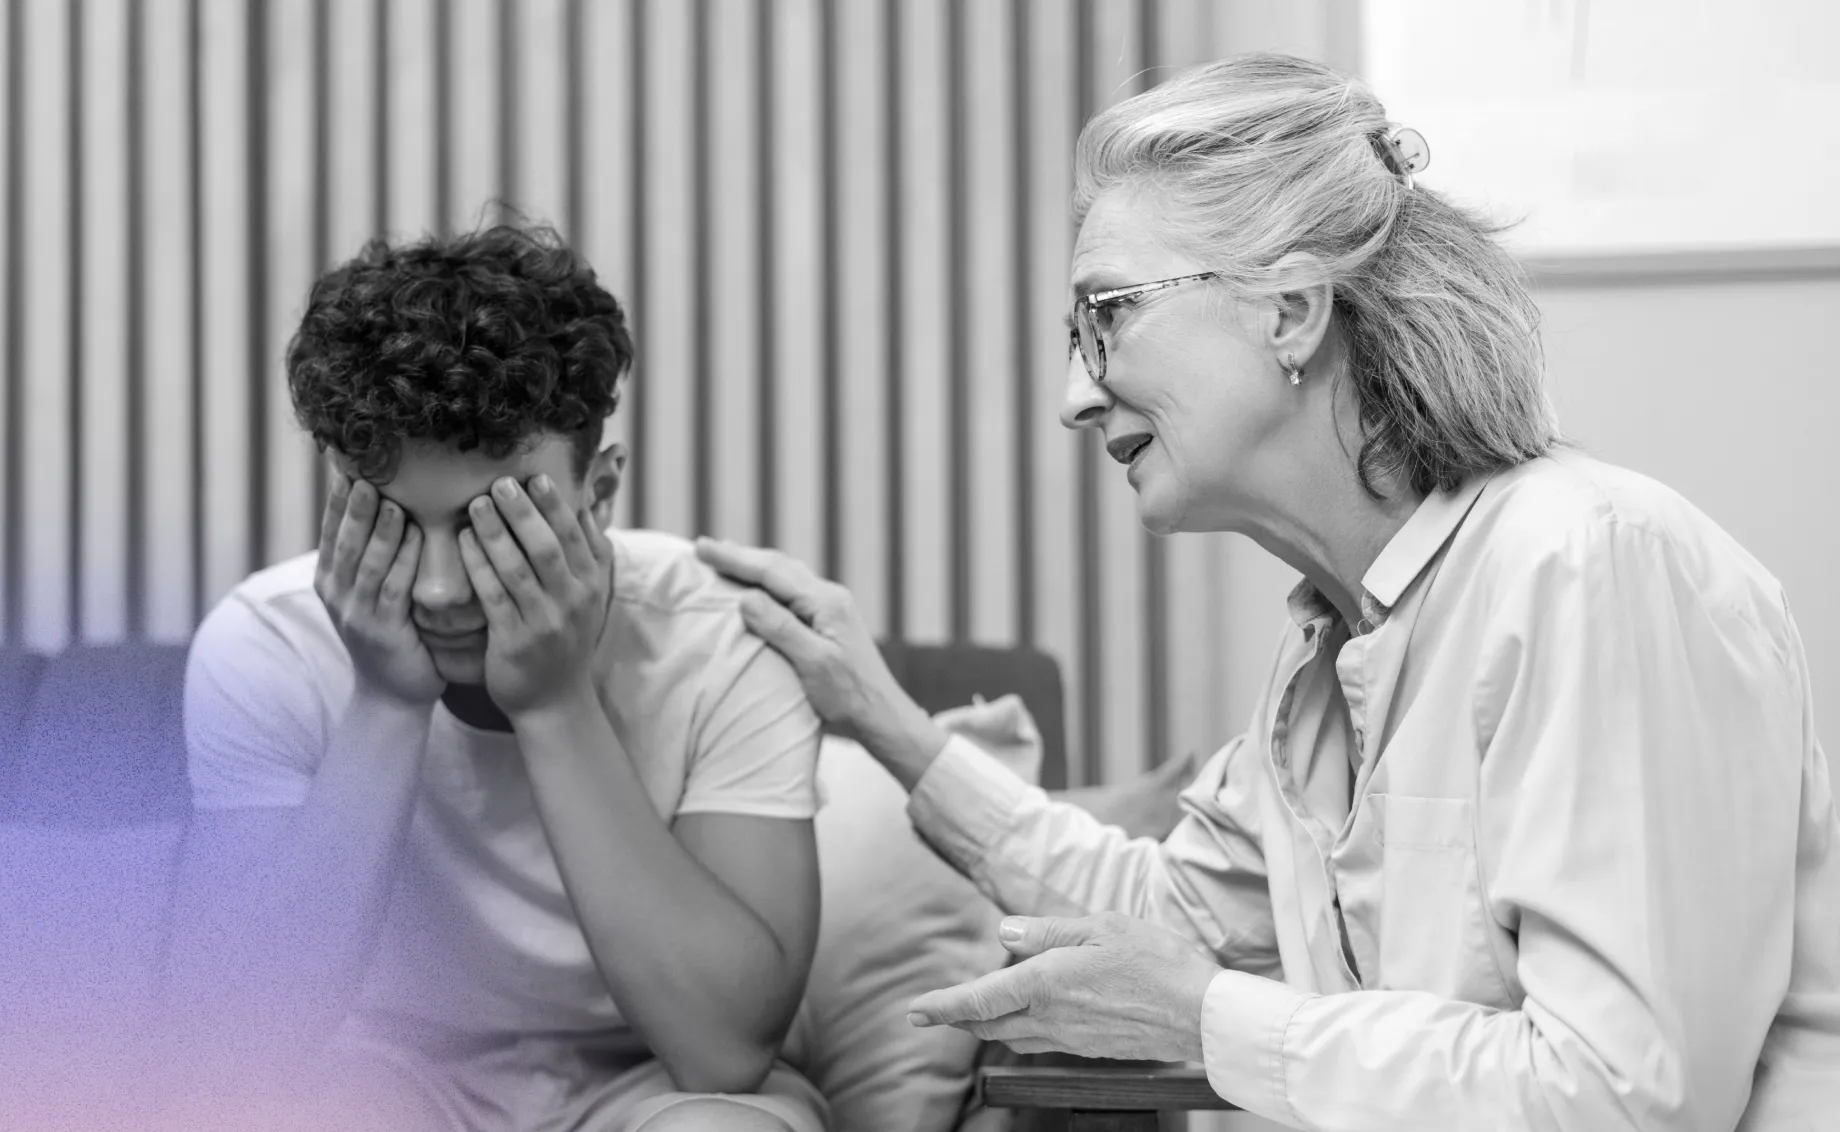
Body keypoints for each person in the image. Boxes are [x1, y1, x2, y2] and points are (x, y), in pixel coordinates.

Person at [695, 53, 1840, 1131]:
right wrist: (879, 717)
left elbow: (1621, 1096)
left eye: (1107, 315)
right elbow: (1170, 916)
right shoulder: (1331, 643)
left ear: (1291, 311)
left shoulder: (1588, 564)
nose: (1074, 396)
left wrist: (1209, 1020)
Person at [162, 225, 828, 1132]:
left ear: (598, 493)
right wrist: (387, 701)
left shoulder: (725, 638)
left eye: (491, 525)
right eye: (392, 524)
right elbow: (236, 1050)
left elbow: (724, 1052)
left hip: (656, 1081)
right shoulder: (269, 643)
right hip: (386, 1071)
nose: (439, 590)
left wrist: (556, 703)